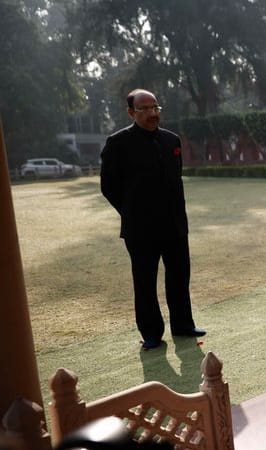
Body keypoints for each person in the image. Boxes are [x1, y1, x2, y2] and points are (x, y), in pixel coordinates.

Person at [100, 89, 206, 350]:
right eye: (144, 109)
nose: (152, 113)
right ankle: (151, 333)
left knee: (179, 277)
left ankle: (183, 325)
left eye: (155, 108)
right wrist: (130, 211)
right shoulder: (118, 143)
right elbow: (108, 186)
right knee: (145, 282)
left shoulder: (172, 141)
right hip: (140, 229)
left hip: (175, 225)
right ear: (131, 112)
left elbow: (175, 178)